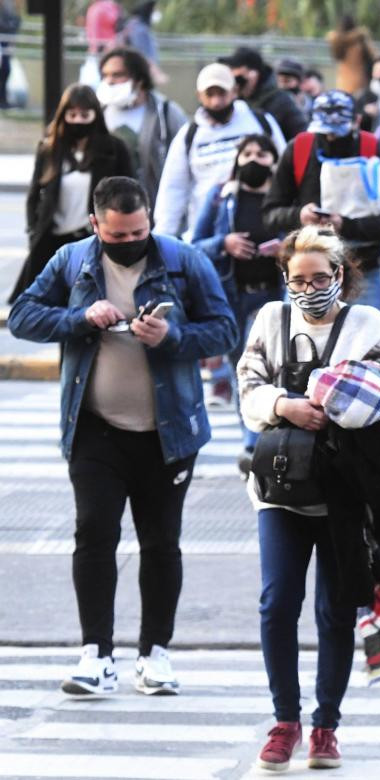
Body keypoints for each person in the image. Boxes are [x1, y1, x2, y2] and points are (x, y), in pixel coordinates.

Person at [8, 175, 236, 698]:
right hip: (94, 428)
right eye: (117, 235)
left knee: (161, 542)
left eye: (138, 231)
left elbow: (226, 330)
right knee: (94, 533)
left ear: (150, 220)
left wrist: (174, 336)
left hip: (167, 432)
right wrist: (79, 317)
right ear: (96, 225)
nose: (129, 242)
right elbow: (21, 315)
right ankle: (96, 653)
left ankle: (155, 653)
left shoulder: (183, 261)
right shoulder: (73, 260)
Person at [238, 226, 380, 773]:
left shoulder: (367, 322)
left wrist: (326, 400)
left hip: (344, 492)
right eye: (297, 279)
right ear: (285, 279)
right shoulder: (269, 319)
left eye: (320, 277)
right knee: (276, 602)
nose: (309, 289)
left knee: (336, 610)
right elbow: (247, 386)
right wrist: (286, 406)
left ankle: (325, 726)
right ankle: (285, 720)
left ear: (341, 276)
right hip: (279, 487)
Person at [263, 90, 380, 312]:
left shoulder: (376, 152)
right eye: (325, 132)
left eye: (338, 132)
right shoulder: (299, 149)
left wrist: (347, 225)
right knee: (300, 340)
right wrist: (299, 216)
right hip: (307, 274)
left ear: (357, 121)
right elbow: (270, 213)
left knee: (362, 343)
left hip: (363, 273)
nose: (331, 139)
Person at [190, 133, 285, 470]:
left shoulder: (283, 200)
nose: (254, 159)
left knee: (262, 365)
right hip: (230, 295)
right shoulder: (221, 198)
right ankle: (252, 434)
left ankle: (256, 441)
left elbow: (308, 240)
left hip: (271, 296)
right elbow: (196, 243)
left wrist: (286, 247)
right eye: (247, 153)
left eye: (262, 153)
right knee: (240, 368)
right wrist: (224, 242)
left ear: (275, 160)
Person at [10, 84, 133, 303]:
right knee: (47, 303)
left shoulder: (114, 149)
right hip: (53, 239)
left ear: (95, 115)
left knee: (88, 300)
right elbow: (34, 194)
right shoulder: (50, 149)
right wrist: (32, 229)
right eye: (72, 114)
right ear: (63, 115)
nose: (77, 120)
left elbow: (130, 191)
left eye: (84, 115)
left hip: (91, 237)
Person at [154, 63, 286, 239]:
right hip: (206, 233)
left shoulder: (260, 122)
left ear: (234, 91)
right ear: (199, 96)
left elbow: (284, 169)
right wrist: (163, 236)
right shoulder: (189, 135)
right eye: (210, 94)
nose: (216, 102)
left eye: (222, 93)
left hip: (261, 228)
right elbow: (174, 188)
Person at [97, 47, 187, 208]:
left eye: (117, 75)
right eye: (105, 75)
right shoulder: (98, 113)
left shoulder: (165, 112)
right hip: (109, 208)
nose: (109, 81)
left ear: (139, 79)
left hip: (154, 205)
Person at [222, 46, 308, 142]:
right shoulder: (237, 102)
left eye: (238, 78)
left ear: (253, 74)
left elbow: (302, 136)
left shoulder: (280, 101)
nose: (236, 83)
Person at [326, 15, 377, 97]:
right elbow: (373, 55)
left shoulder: (336, 40)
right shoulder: (360, 39)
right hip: (361, 78)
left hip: (343, 80)